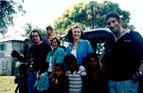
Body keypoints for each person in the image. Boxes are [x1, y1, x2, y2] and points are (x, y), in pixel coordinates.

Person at [99, 12, 143, 93]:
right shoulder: (109, 36)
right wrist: (100, 61)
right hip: (111, 81)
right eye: (109, 23)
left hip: (128, 81)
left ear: (120, 21)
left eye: (113, 21)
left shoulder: (134, 35)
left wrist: (137, 74)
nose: (112, 25)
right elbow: (106, 49)